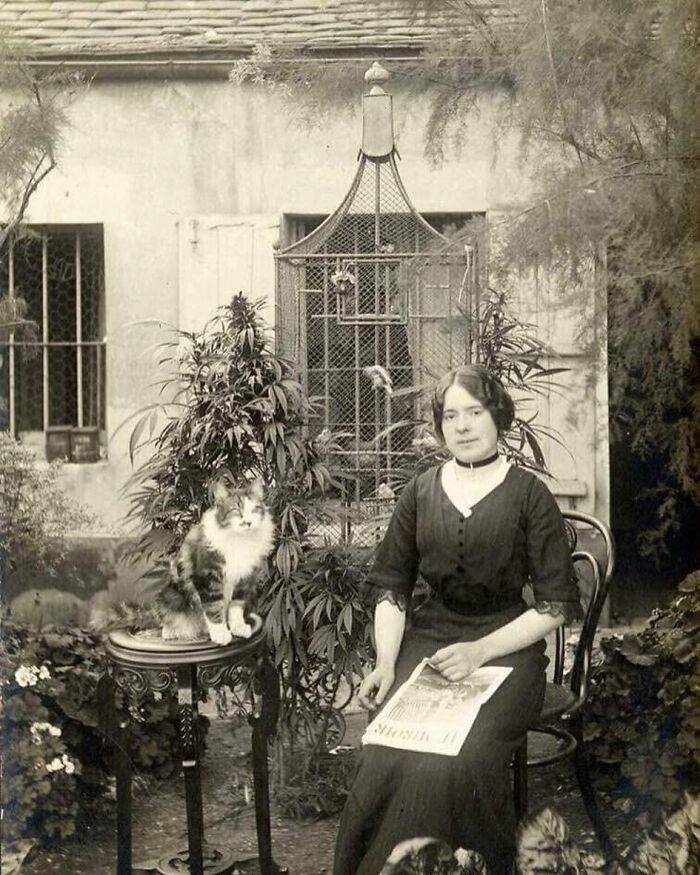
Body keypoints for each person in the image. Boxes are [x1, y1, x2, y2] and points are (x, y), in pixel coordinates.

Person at [333, 364, 580, 875]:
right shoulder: (421, 491)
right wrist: (384, 663)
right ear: (440, 425)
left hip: (507, 653)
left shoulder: (528, 494)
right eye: (451, 415)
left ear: (498, 418)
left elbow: (554, 606)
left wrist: (480, 652)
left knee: (458, 757)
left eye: (475, 412)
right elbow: (391, 589)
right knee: (383, 748)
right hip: (432, 642)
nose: (462, 425)